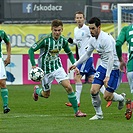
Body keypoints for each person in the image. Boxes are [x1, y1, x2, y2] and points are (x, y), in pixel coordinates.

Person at [68, 17, 126, 120]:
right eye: (90, 28)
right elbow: (87, 54)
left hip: (114, 68)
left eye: (93, 28)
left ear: (99, 27)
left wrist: (107, 76)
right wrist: (76, 64)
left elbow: (111, 58)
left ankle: (121, 98)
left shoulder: (105, 39)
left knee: (107, 96)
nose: (91, 31)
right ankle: (99, 114)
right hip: (103, 66)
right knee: (93, 91)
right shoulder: (92, 39)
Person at [28, 19, 86, 117]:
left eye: (59, 30)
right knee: (46, 94)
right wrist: (34, 65)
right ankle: (37, 91)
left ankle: (77, 112)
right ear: (51, 29)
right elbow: (31, 50)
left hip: (57, 67)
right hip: (45, 70)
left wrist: (74, 64)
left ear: (62, 29)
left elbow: (69, 52)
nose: (57, 32)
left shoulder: (63, 40)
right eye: (55, 30)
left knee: (69, 87)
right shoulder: (45, 40)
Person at [65, 11, 111, 108]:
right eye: (77, 18)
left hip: (87, 58)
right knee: (93, 79)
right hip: (82, 57)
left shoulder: (88, 29)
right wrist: (72, 42)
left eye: (81, 17)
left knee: (77, 77)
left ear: (84, 19)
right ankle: (109, 96)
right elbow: (78, 43)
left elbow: (93, 40)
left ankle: (76, 101)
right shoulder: (75, 30)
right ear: (75, 19)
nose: (79, 19)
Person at [116, 24, 133, 120]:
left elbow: (118, 44)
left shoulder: (126, 29)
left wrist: (121, 60)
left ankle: (131, 105)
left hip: (131, 68)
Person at [0, 30, 11, 113]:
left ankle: (5, 106)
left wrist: (8, 57)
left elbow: (8, 43)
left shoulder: (2, 33)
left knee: (2, 82)